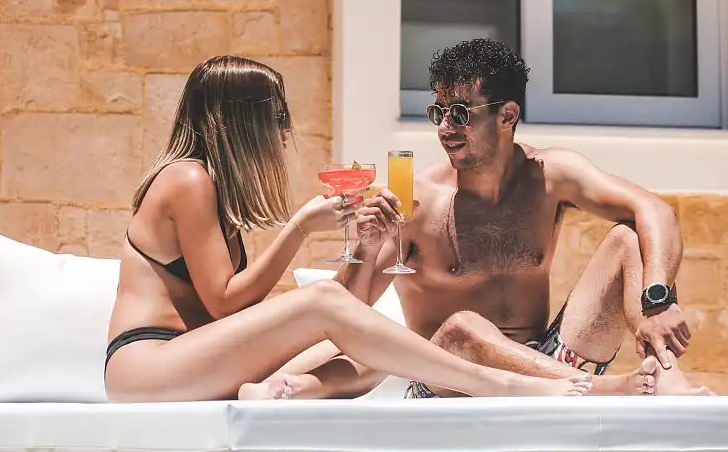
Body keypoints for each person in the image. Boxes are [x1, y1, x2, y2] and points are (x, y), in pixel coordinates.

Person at [103, 54, 593, 402]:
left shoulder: (209, 188)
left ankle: (280, 391)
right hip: (149, 366)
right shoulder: (187, 179)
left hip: (191, 361)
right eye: (276, 116)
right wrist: (300, 228)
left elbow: (312, 310)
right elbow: (225, 304)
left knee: (370, 346)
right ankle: (499, 383)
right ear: (240, 121)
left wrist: (367, 247)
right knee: (323, 303)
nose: (284, 131)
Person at [257, 38, 712, 399]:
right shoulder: (416, 200)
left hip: (550, 360)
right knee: (463, 325)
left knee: (628, 239)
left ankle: (668, 380)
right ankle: (599, 390)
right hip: (452, 376)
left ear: (507, 115)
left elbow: (654, 210)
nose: (445, 128)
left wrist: (657, 299)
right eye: (438, 113)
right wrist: (368, 245)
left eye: (460, 113)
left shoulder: (550, 175)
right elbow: (344, 312)